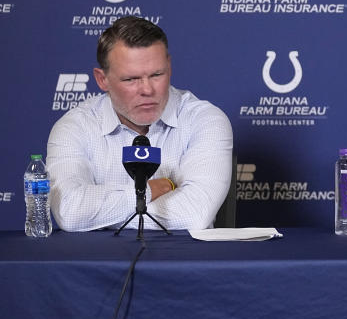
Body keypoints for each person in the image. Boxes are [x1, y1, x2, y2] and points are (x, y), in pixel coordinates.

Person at [47, 17, 233, 231]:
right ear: (102, 79)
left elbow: (194, 215)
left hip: (183, 263)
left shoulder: (205, 120)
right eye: (131, 79)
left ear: (169, 68)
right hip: (100, 263)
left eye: (156, 74)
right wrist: (151, 190)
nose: (147, 90)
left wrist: (100, 217)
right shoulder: (74, 126)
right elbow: (69, 212)